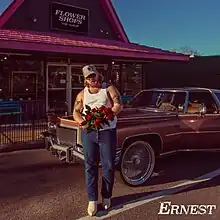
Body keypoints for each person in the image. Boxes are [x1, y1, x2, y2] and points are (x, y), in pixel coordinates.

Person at [73, 65, 123, 216]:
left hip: (107, 132)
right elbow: (76, 111)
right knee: (90, 165)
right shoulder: (82, 94)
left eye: (94, 75)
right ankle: (92, 200)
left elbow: (118, 104)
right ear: (85, 80)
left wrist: (107, 115)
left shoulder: (108, 89)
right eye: (89, 77)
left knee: (108, 165)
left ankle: (106, 196)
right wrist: (82, 122)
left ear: (98, 75)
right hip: (89, 133)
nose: (92, 79)